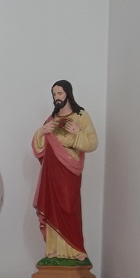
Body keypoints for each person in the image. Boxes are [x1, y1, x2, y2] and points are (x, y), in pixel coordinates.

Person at [32, 80, 98, 263]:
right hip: (51, 172)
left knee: (70, 207)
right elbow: (39, 148)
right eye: (54, 95)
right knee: (52, 206)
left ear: (68, 93)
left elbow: (92, 142)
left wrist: (77, 134)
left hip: (69, 171)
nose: (57, 98)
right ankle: (53, 250)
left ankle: (76, 249)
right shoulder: (51, 120)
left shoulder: (80, 115)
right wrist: (41, 132)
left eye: (59, 93)